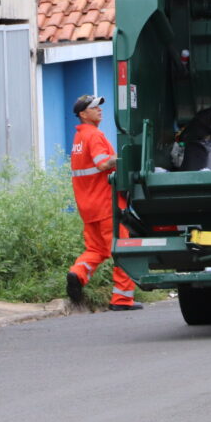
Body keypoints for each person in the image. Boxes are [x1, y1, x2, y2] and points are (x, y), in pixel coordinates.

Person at [66, 95, 142, 311]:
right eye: (94, 107)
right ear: (83, 114)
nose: (99, 110)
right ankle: (122, 299)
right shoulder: (94, 135)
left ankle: (77, 274)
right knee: (123, 249)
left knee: (96, 249)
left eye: (99, 106)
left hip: (87, 206)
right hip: (106, 204)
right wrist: (125, 158)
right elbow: (101, 163)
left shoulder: (78, 139)